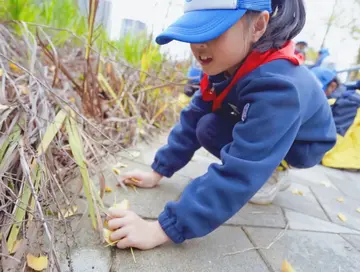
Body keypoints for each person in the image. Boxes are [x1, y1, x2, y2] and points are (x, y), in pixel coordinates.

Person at [106, 0, 337, 250]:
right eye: (194, 33)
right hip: (268, 120)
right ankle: (267, 163)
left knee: (255, 158)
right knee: (206, 126)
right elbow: (192, 119)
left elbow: (241, 168)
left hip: (304, 143)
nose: (199, 46)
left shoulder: (279, 88)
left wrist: (163, 228)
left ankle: (274, 170)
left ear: (258, 24)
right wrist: (158, 171)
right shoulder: (224, 66)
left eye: (213, 31)